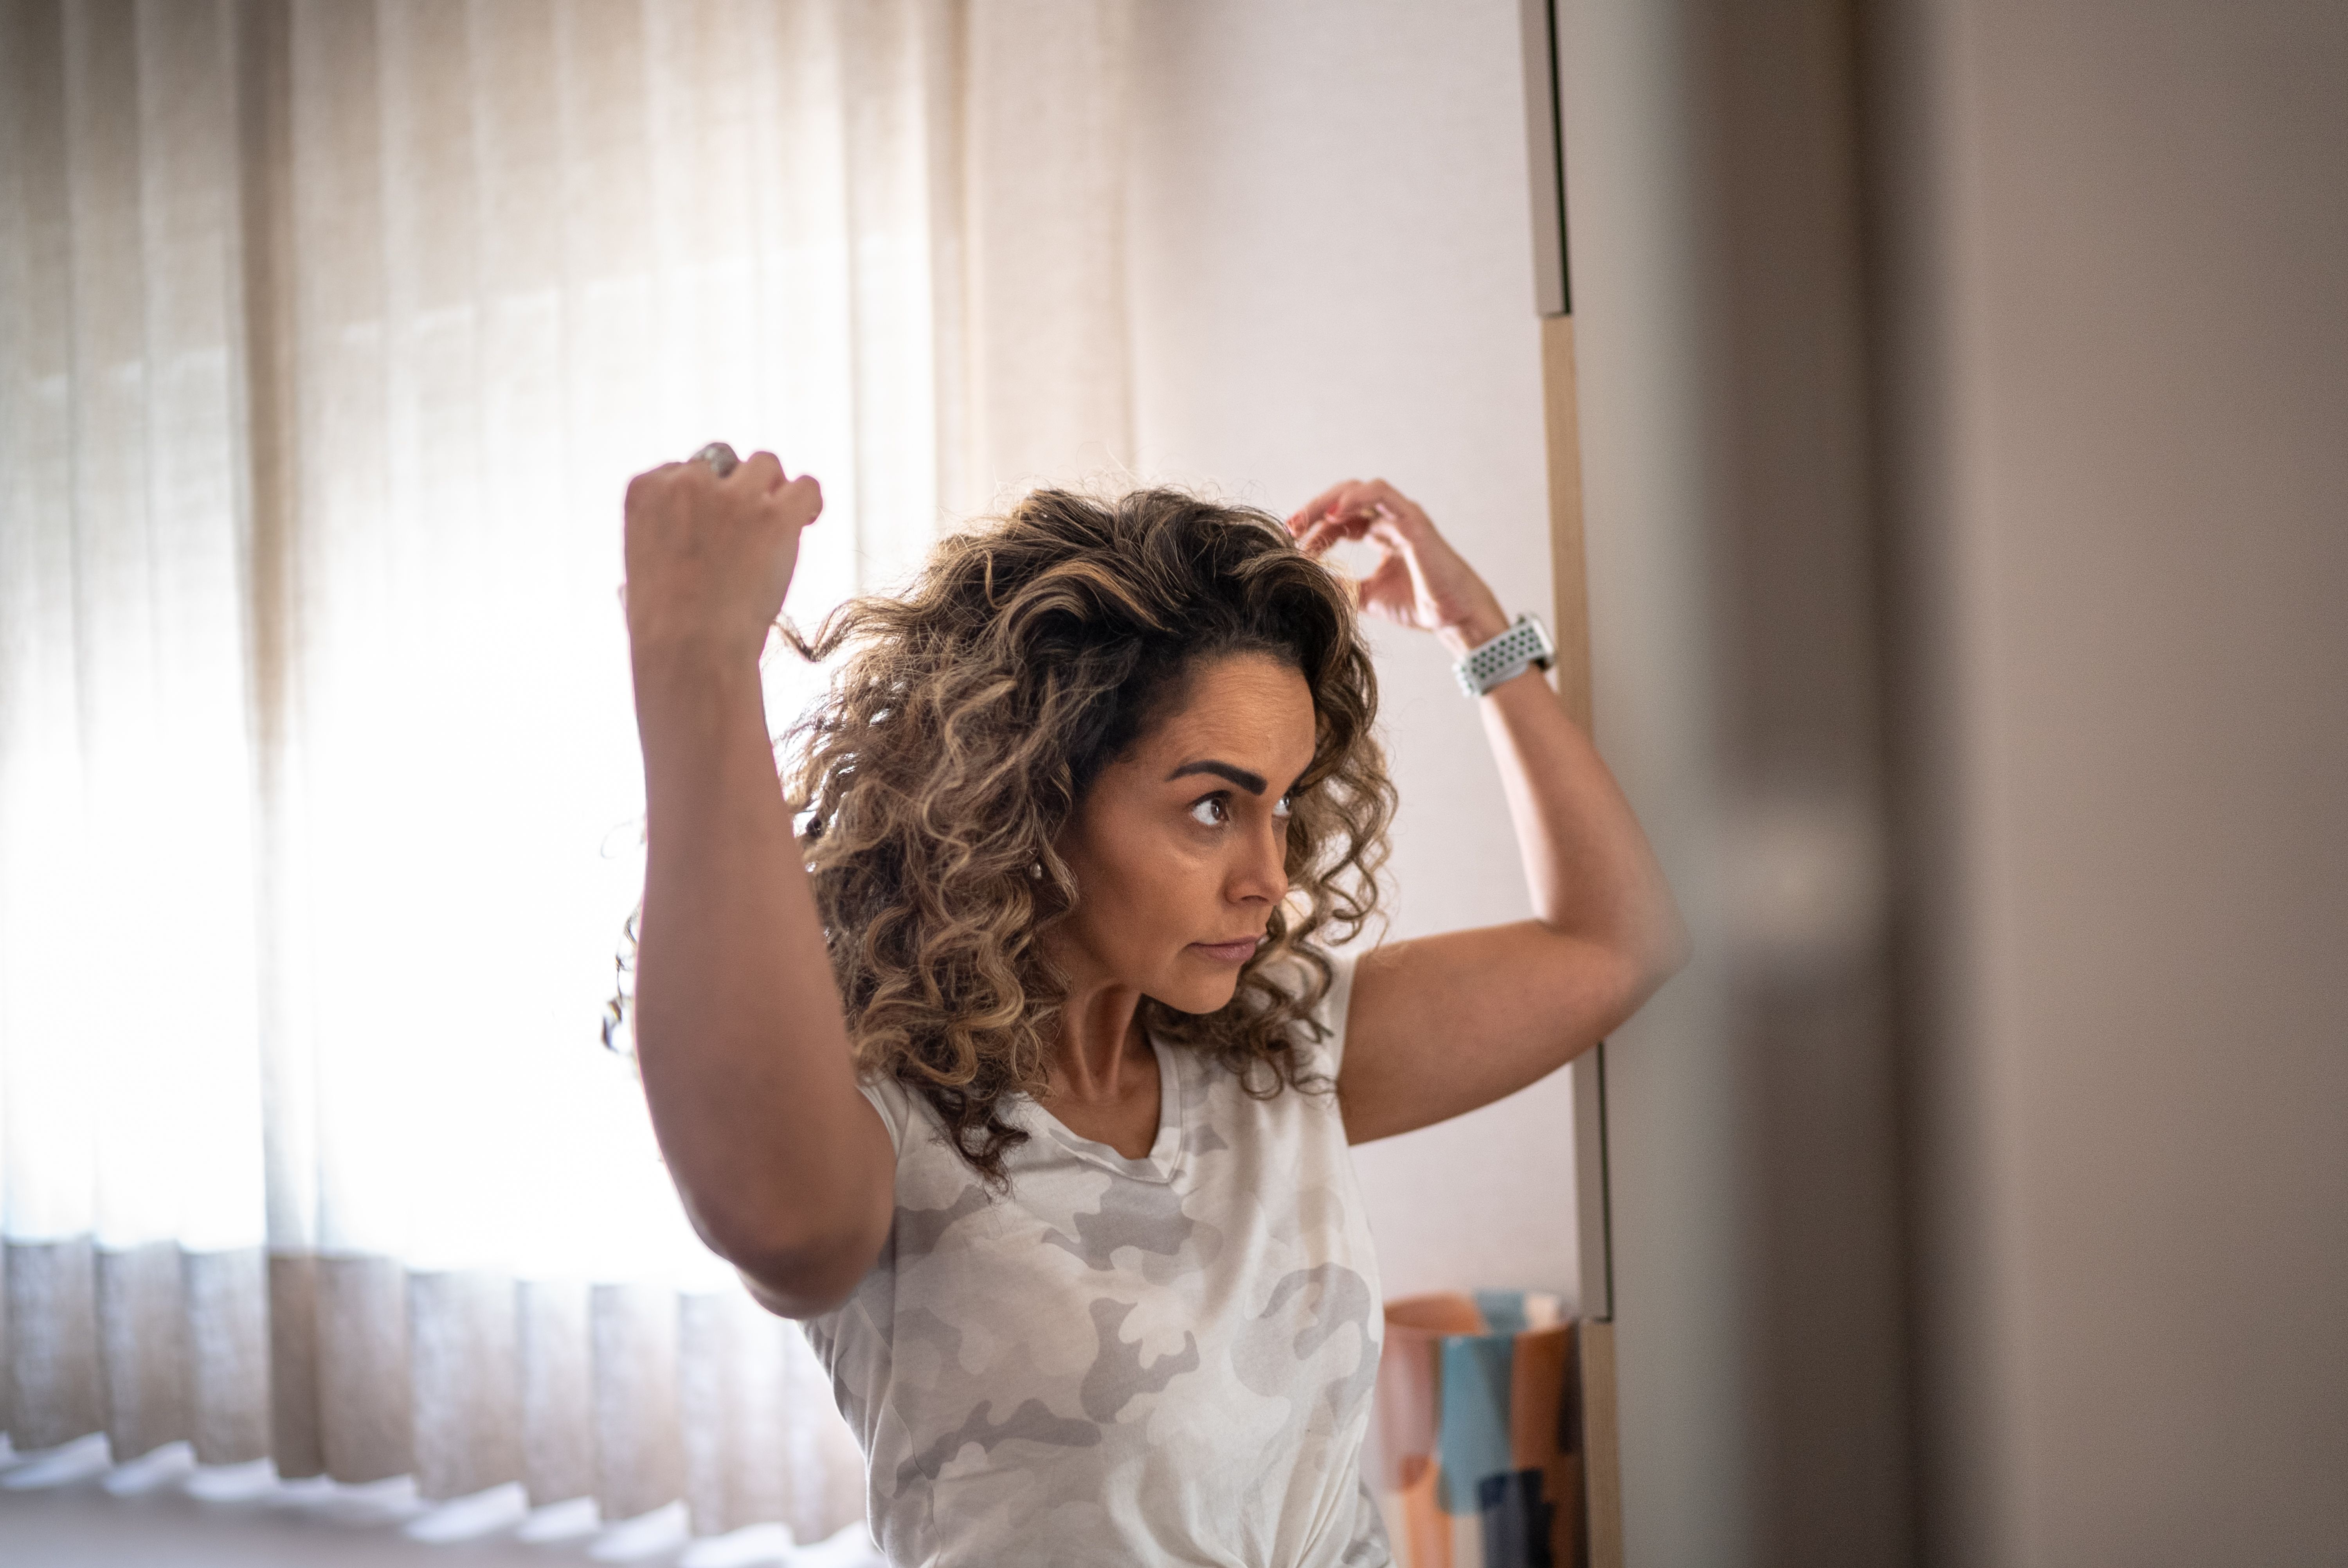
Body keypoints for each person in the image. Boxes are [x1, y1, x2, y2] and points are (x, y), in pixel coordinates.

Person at [619, 446, 1687, 1567]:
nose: (1270, 879)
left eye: (1282, 805)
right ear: (1026, 797)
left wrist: (1480, 634)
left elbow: (1617, 945)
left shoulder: (1276, 1046)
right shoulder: (895, 1117)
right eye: (1214, 806)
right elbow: (780, 1232)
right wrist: (698, 662)